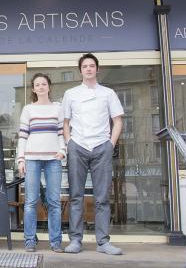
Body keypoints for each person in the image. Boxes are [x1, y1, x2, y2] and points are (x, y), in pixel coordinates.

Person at [62, 53, 124, 255]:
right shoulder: (70, 93)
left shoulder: (108, 93)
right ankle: (75, 240)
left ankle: (103, 242)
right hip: (77, 146)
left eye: (92, 66)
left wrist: (110, 144)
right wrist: (69, 143)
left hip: (101, 147)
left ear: (97, 69)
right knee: (76, 196)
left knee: (102, 197)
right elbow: (65, 123)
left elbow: (118, 121)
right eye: (85, 66)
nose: (88, 69)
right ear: (80, 70)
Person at [16, 73, 66, 253]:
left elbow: (61, 134)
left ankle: (56, 242)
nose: (41, 87)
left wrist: (62, 151)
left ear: (49, 87)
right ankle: (30, 240)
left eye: (44, 84)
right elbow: (22, 137)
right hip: (31, 159)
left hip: (53, 159)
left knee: (54, 201)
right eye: (37, 84)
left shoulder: (58, 109)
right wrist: (20, 159)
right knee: (31, 202)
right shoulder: (28, 109)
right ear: (33, 89)